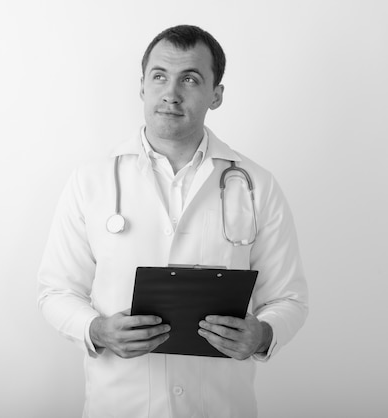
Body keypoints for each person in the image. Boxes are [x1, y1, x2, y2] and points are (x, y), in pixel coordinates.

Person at [37, 25, 308, 418]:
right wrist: (96, 330)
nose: (171, 92)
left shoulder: (256, 185)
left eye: (191, 79)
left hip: (219, 405)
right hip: (120, 404)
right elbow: (55, 291)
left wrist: (263, 334)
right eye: (159, 76)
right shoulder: (90, 181)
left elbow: (289, 298)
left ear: (216, 94)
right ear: (143, 86)